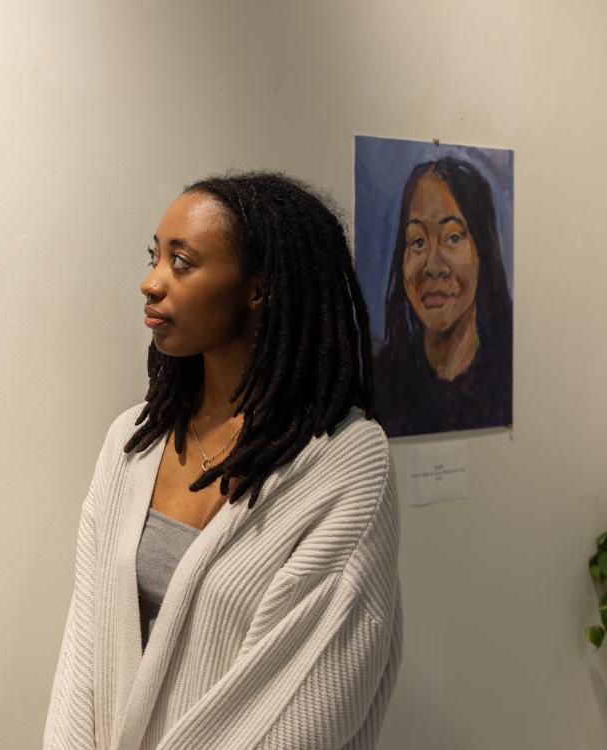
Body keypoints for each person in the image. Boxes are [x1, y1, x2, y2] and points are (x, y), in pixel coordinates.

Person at [45, 172, 402, 749]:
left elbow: (309, 693)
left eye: (181, 262)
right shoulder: (132, 442)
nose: (151, 283)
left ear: (256, 289)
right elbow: (84, 648)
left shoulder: (344, 463)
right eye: (154, 256)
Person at [374, 157, 512, 437]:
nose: (433, 266)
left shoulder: (511, 377)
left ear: (481, 252)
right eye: (418, 241)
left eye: (452, 237)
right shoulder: (382, 382)